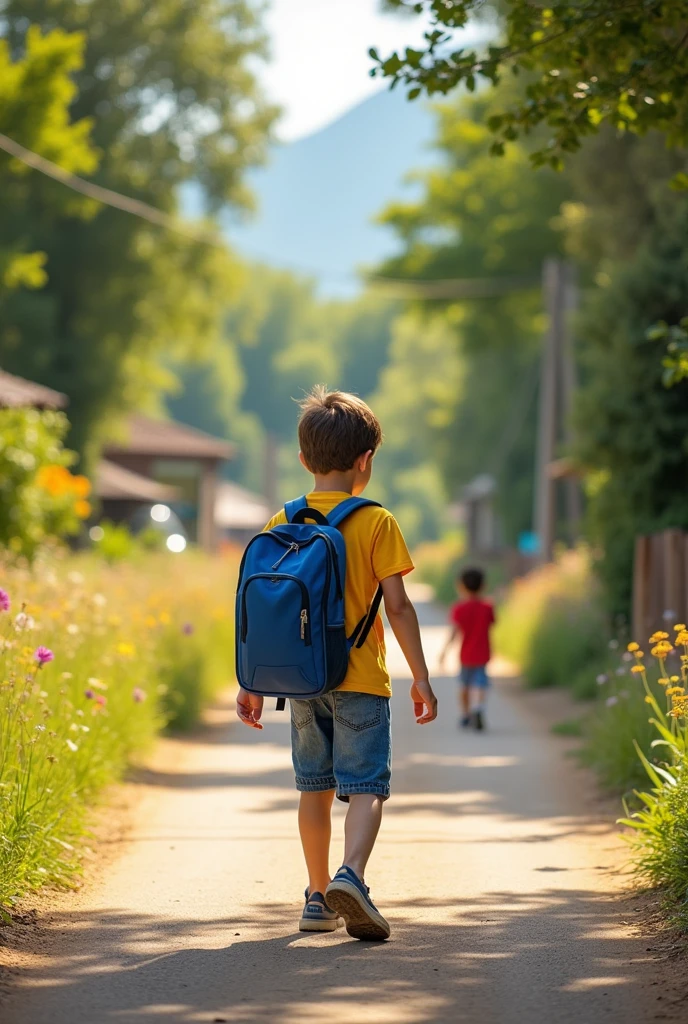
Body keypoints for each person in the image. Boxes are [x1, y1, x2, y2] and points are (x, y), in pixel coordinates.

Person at [235, 386, 438, 941]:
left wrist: (249, 681)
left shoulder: (284, 516)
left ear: (303, 460)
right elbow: (397, 605)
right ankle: (353, 875)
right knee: (366, 787)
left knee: (313, 788)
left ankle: (317, 895)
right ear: (365, 460)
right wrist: (421, 676)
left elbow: (265, 603)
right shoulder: (377, 521)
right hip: (362, 681)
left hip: (299, 681)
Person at [440, 567, 495, 731]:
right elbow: (490, 626)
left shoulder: (459, 608)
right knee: (480, 684)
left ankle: (465, 714)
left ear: (461, 586)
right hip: (483, 653)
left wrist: (444, 652)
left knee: (464, 686)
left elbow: (454, 632)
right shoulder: (487, 607)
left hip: (466, 655)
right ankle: (478, 708)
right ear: (483, 586)